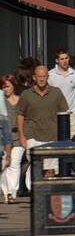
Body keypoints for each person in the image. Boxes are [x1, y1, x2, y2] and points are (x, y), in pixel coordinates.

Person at [16, 63, 68, 189]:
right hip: (32, 136)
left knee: (50, 170)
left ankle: (47, 193)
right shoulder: (26, 95)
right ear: (34, 77)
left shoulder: (56, 93)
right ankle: (35, 192)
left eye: (44, 76)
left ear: (47, 77)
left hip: (52, 136)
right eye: (39, 76)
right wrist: (22, 136)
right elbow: (20, 115)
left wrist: (65, 137)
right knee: (36, 166)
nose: (41, 79)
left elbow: (64, 114)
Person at [48, 48, 75, 138]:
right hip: (56, 116)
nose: (64, 61)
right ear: (57, 60)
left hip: (73, 116)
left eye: (66, 58)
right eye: (62, 59)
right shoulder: (50, 75)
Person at [0, 73, 23, 201]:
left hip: (17, 135)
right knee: (4, 164)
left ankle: (12, 193)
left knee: (14, 163)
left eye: (8, 86)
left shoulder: (21, 100)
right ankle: (6, 192)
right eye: (3, 87)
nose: (5, 89)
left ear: (14, 86)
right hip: (3, 137)